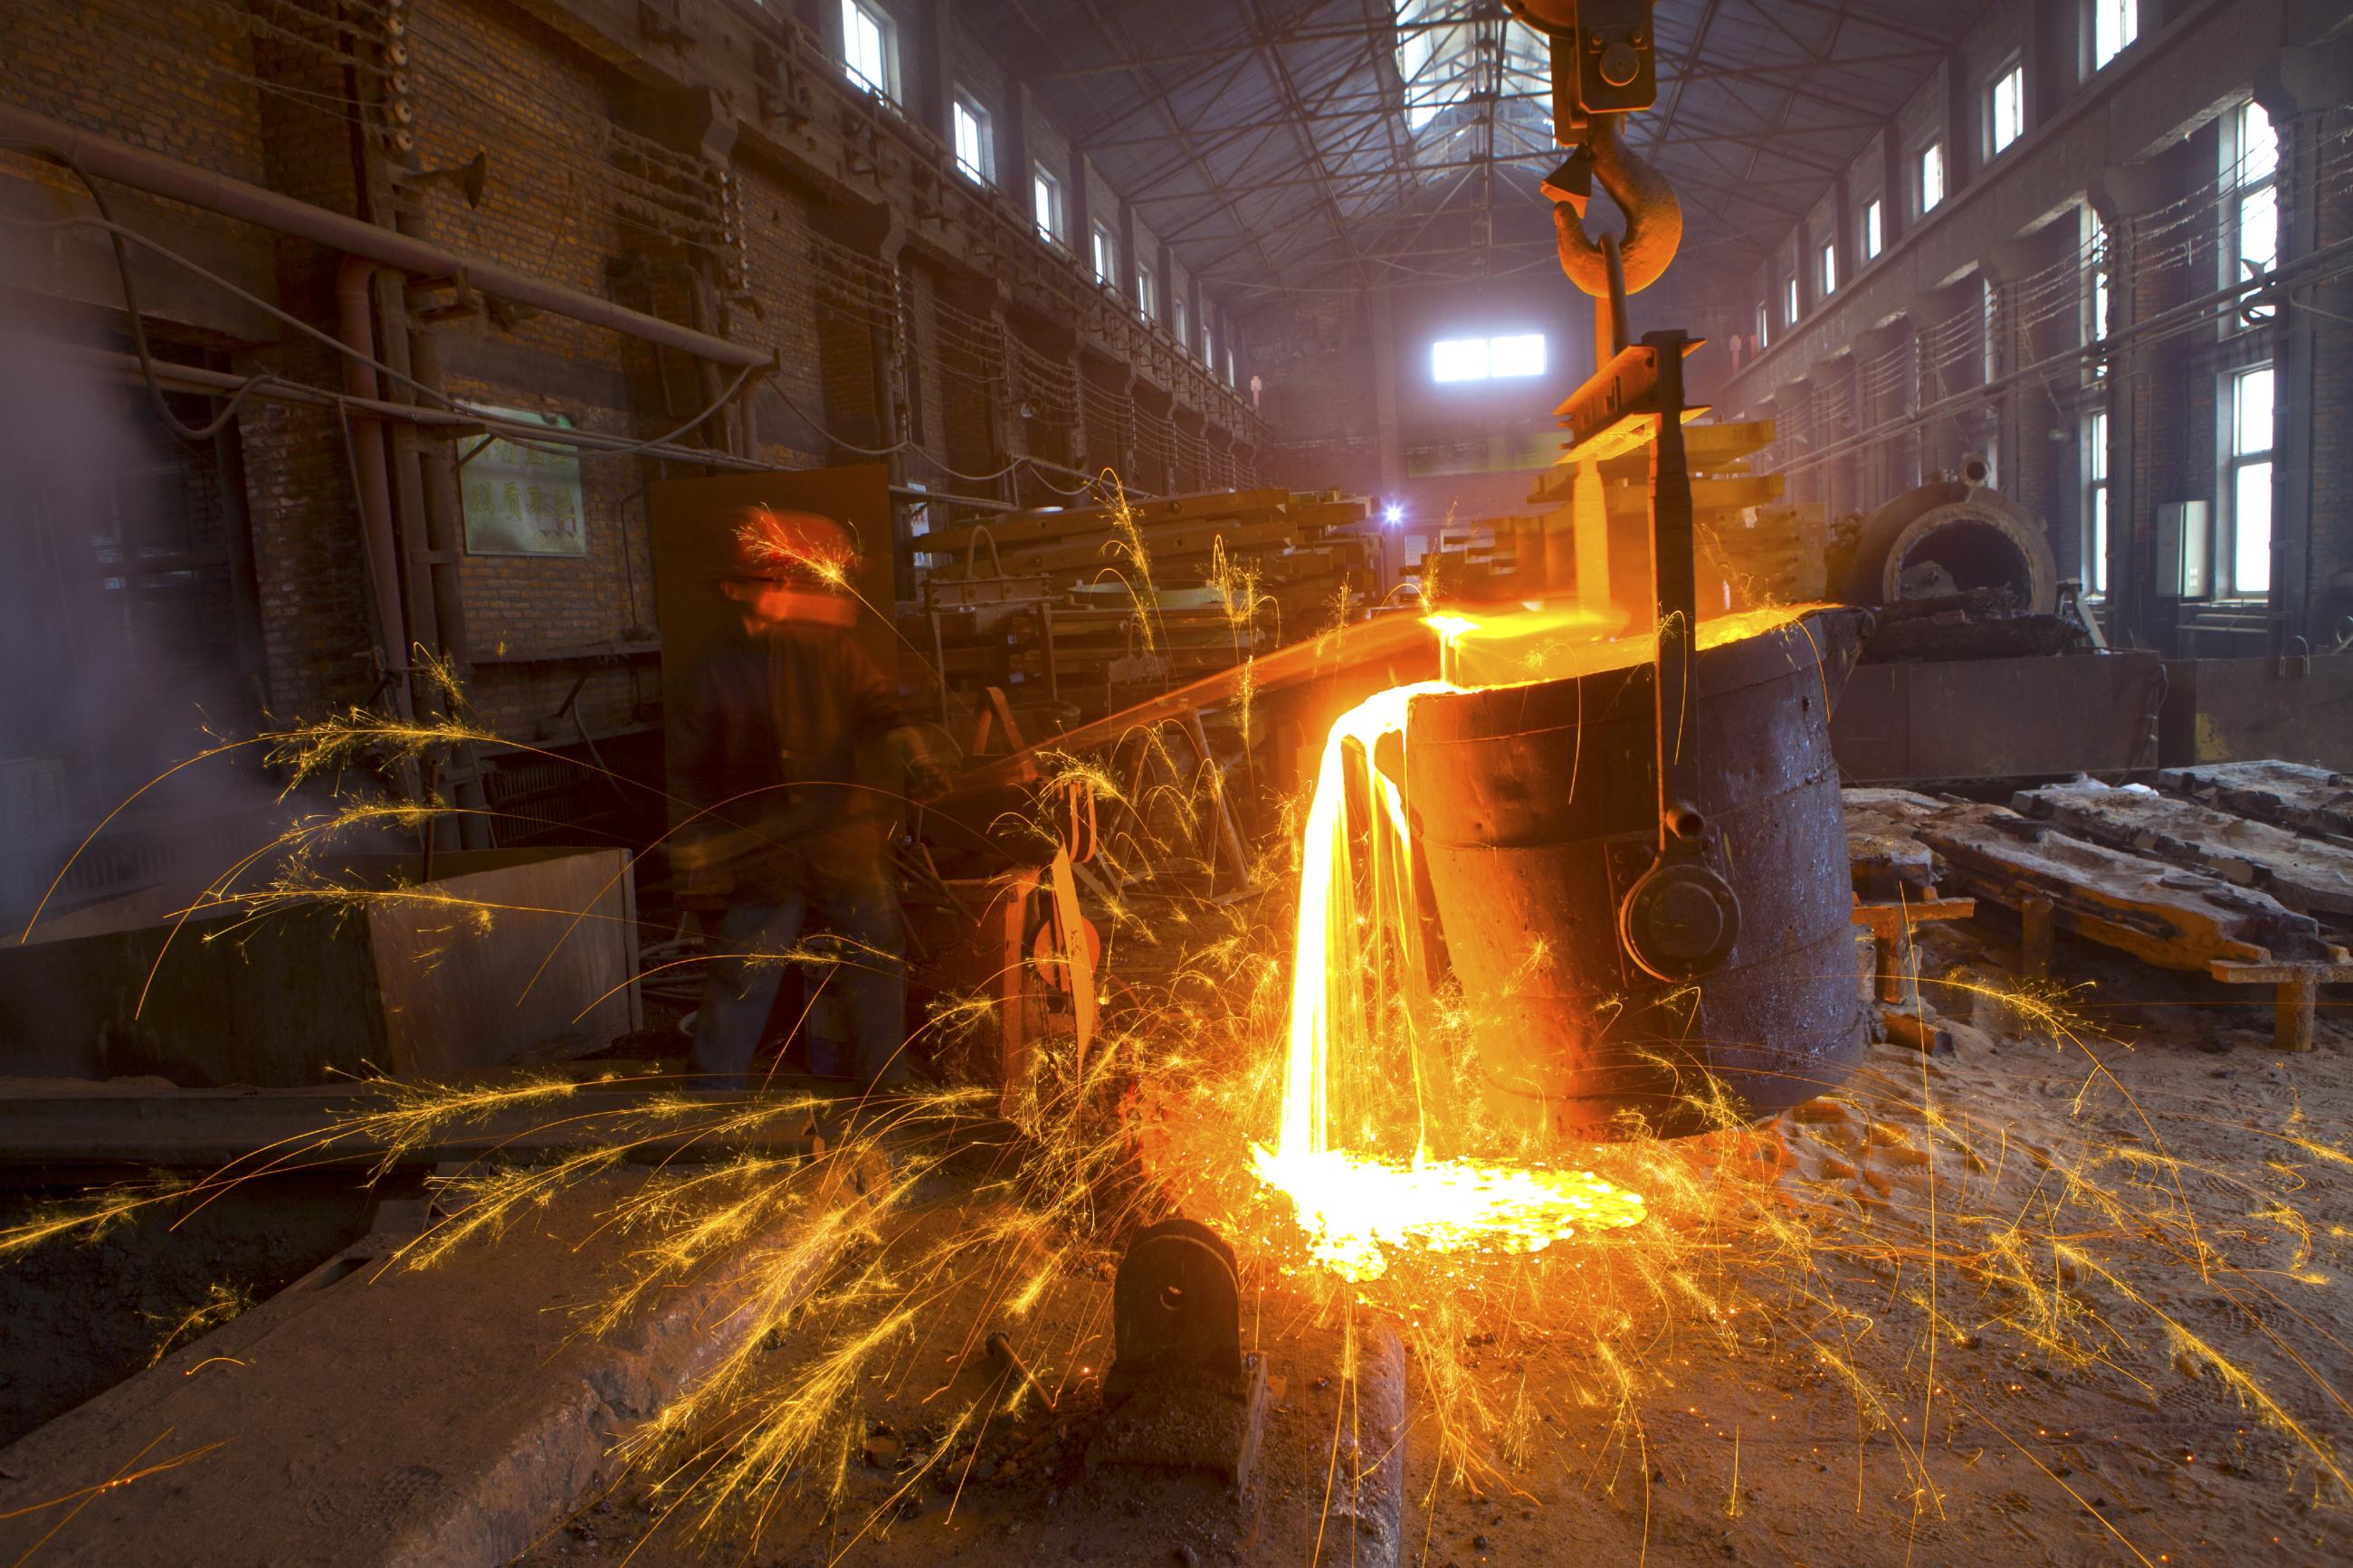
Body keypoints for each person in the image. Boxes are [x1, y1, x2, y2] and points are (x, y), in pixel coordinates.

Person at [671, 505, 942, 1092]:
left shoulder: (824, 648)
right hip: (766, 854)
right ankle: (709, 1096)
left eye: (786, 578)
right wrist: (692, 844)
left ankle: (884, 1082)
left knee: (873, 957)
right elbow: (689, 773)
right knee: (745, 972)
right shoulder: (709, 674)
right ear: (734, 588)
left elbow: (878, 707)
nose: (785, 588)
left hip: (840, 839)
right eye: (771, 580)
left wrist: (914, 754)